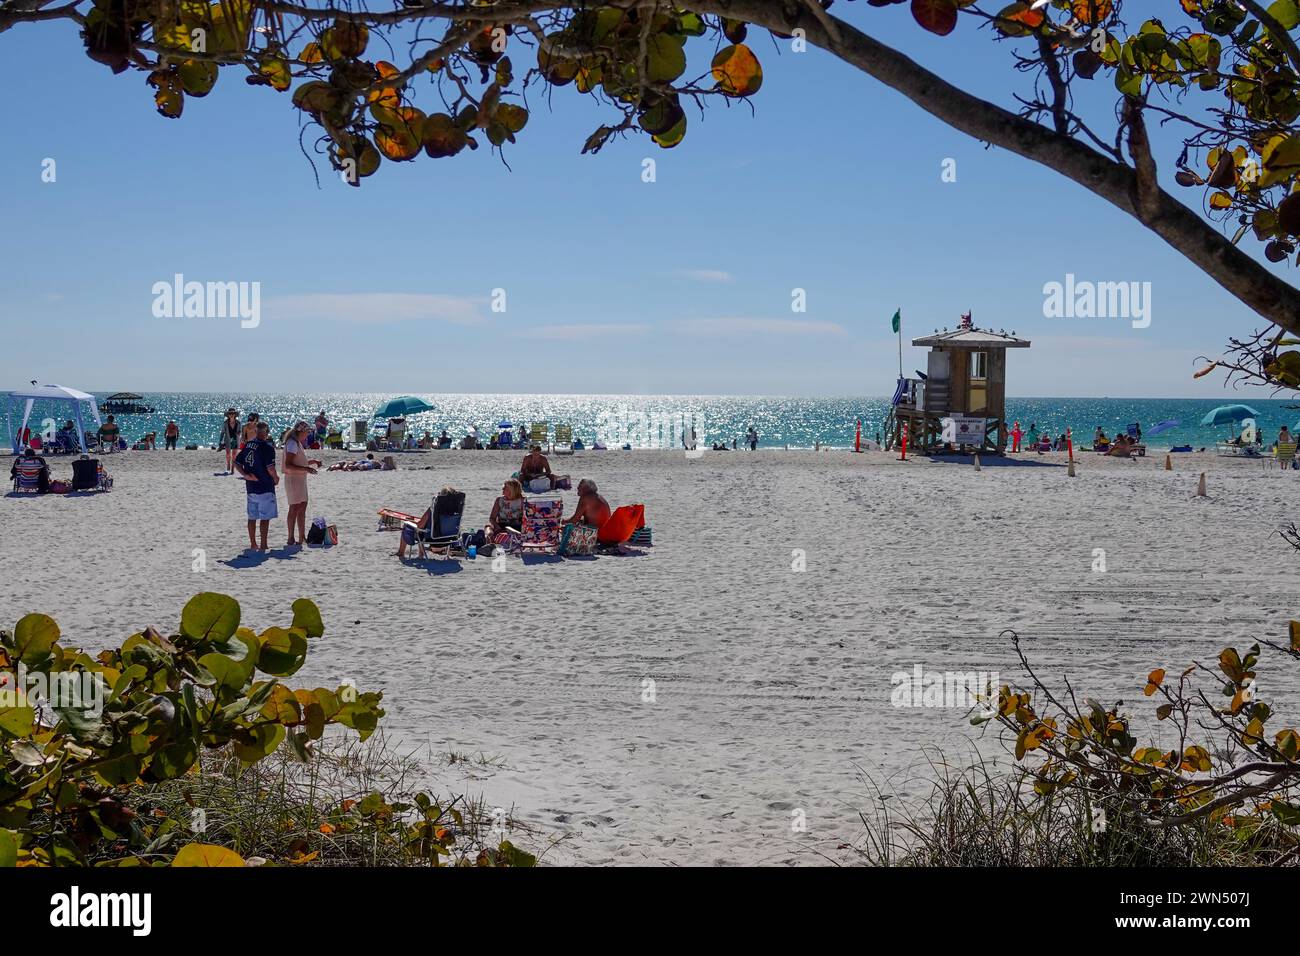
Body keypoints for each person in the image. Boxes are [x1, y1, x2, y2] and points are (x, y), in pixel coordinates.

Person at [234, 420, 279, 551]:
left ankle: (253, 544)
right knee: (265, 518)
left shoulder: (248, 445)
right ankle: (263, 545)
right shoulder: (268, 448)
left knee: (252, 517)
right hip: (265, 486)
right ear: (266, 433)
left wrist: (245, 475)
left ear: (255, 431)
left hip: (251, 487)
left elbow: (236, 462)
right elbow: (270, 469)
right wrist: (276, 479)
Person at [281, 421, 322, 547]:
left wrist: (312, 462)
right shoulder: (292, 443)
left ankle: (301, 537)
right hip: (293, 479)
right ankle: (291, 538)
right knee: (294, 508)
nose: (308, 434)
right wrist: (306, 469)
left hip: (300, 479)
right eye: (307, 431)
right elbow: (288, 464)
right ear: (301, 431)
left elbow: (299, 461)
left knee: (302, 507)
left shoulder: (297, 443)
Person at [219, 408, 240, 473]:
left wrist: (239, 433)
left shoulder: (238, 423)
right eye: (230, 413)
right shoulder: (225, 423)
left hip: (235, 440)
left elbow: (240, 431)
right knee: (228, 454)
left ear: (235, 415)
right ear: (228, 415)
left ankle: (233, 468)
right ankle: (228, 466)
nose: (231, 414)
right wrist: (220, 441)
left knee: (234, 455)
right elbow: (222, 432)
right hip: (227, 440)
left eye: (233, 413)